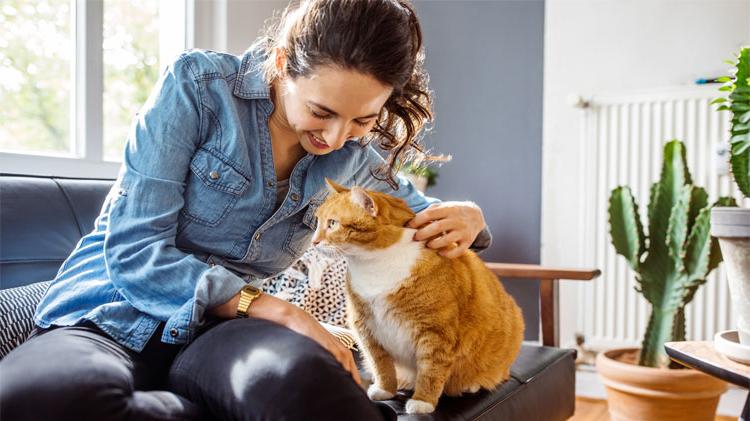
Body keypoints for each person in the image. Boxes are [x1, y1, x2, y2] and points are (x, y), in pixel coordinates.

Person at [0, 1, 491, 420]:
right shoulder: (198, 87)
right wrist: (278, 311)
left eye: (362, 119)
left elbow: (423, 210)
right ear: (281, 63)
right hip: (108, 310)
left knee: (305, 390)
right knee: (44, 400)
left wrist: (468, 214)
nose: (336, 138)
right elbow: (134, 249)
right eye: (322, 112)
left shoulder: (354, 158)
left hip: (219, 336)